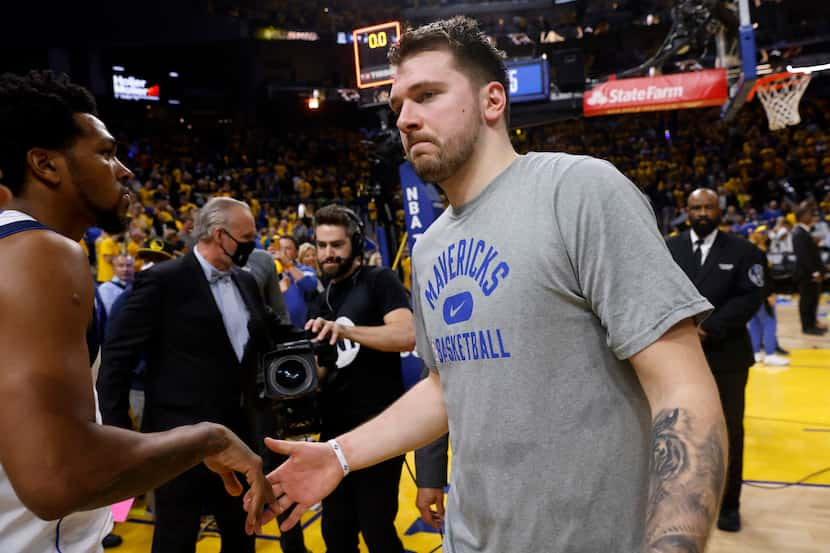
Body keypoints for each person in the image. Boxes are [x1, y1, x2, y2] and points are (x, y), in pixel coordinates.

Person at [255, 17, 726, 553]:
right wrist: (342, 454)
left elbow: (682, 389)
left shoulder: (577, 192)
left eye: (427, 95)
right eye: (397, 107)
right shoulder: (430, 248)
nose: (406, 119)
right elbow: (445, 387)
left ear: (492, 101)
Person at [0, 70, 270, 553]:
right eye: (105, 153)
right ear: (45, 164)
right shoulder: (42, 252)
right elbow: (57, 477)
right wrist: (207, 439)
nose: (124, 170)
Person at [98, 197, 271, 553]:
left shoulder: (246, 280)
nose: (254, 243)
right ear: (219, 235)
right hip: (176, 441)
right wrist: (118, 436)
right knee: (175, 539)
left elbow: (269, 334)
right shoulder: (163, 280)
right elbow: (117, 358)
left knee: (243, 534)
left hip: (238, 436)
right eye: (247, 236)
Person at [303, 204, 415, 553]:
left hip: (379, 426)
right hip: (335, 430)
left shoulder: (380, 280)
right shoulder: (322, 300)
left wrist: (346, 332)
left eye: (336, 245)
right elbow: (323, 370)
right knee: (336, 531)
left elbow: (405, 335)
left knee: (376, 528)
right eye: (321, 246)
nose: (328, 254)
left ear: (354, 243)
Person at [666, 188, 766, 532]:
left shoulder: (744, 251)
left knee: (727, 431)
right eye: (696, 208)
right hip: (677, 356)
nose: (703, 213)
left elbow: (750, 298)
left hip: (727, 356)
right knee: (679, 431)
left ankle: (728, 505)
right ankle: (679, 501)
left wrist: (707, 329)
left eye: (708, 207)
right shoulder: (670, 247)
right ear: (686, 211)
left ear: (720, 210)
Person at [791, 202, 826, 335]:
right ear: (802, 217)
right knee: (807, 300)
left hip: (811, 273)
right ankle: (807, 327)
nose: (811, 216)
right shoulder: (798, 233)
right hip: (806, 274)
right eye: (808, 214)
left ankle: (812, 323)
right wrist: (815, 272)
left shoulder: (805, 232)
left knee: (813, 300)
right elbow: (804, 256)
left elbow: (811, 253)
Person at [276, 234, 319, 328]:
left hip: (302, 328)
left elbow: (310, 285)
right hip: (277, 329)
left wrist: (289, 265)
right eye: (280, 248)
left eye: (288, 248)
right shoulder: (270, 271)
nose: (283, 252)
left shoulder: (305, 269)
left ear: (296, 252)